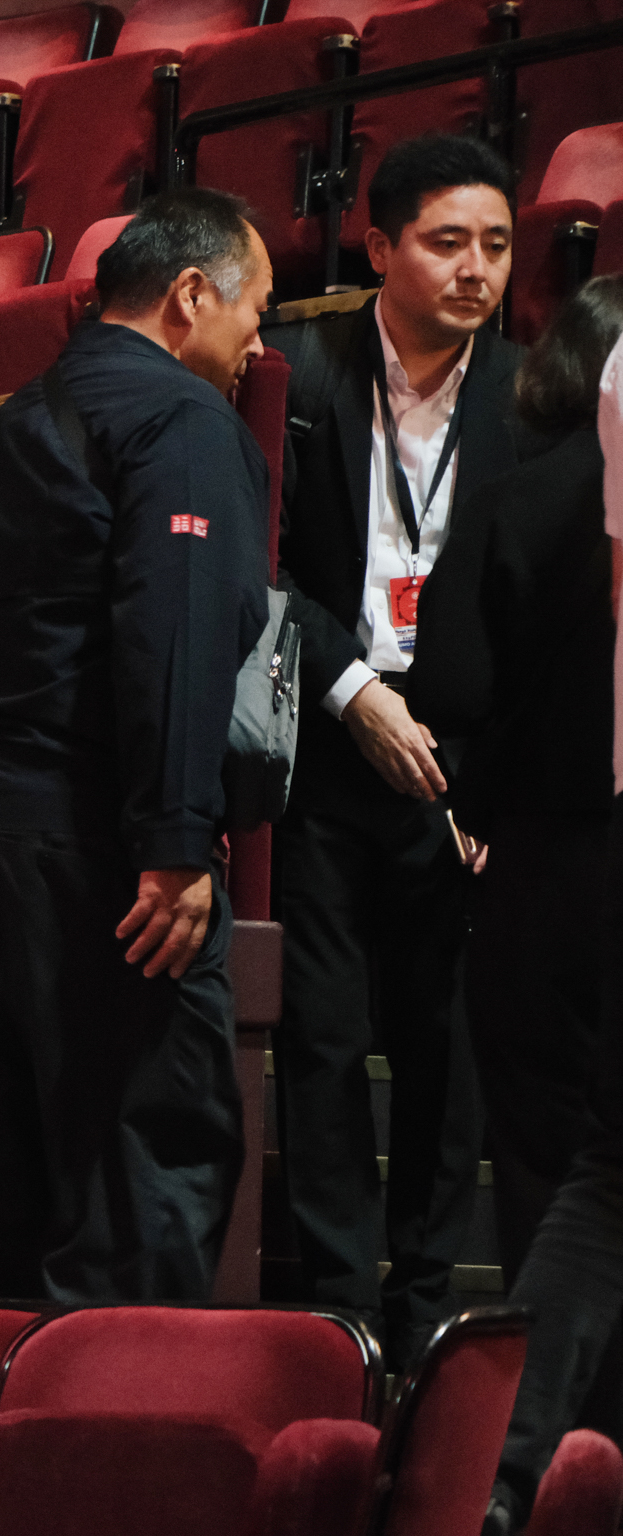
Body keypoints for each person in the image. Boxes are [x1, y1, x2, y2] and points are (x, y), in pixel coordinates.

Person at [0, 187, 275, 1301]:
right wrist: (175, 835)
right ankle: (109, 1473)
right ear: (191, 295)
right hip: (86, 855)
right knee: (136, 1210)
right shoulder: (184, 420)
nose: (262, 337)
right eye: (257, 305)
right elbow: (177, 625)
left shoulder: (17, 418)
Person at [260, 133, 533, 1358]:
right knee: (322, 1037)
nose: (475, 269)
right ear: (380, 247)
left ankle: (428, 1309)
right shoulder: (301, 373)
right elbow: (259, 567)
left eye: (496, 244)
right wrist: (355, 688)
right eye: (446, 241)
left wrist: (500, 787)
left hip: (465, 769)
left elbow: (545, 606)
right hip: (330, 743)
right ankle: (334, 1309)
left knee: (445, 1047)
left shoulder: (529, 394)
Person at [414, 276, 623, 1286]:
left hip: (543, 869)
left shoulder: (510, 503)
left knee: (547, 1161)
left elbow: (450, 687)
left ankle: (563, 1428)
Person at [480, 312, 623, 1536]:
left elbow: (465, 683)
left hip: (548, 842)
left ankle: (514, 1470)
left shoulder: (528, 489)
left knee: (573, 1169)